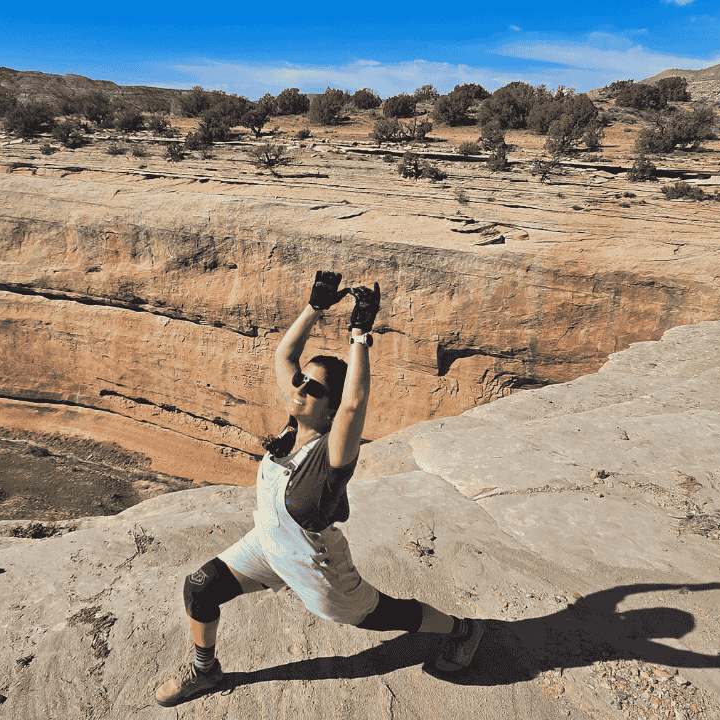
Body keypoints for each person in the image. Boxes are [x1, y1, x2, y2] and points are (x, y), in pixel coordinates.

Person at [154, 270, 485, 707]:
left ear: (328, 411)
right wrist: (314, 307)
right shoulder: (293, 426)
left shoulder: (331, 455)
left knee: (387, 615)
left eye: (313, 388)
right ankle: (205, 671)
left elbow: (353, 403)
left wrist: (360, 336)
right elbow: (283, 356)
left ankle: (464, 630)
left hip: (319, 570)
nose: (300, 388)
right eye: (301, 382)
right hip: (268, 546)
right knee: (199, 588)